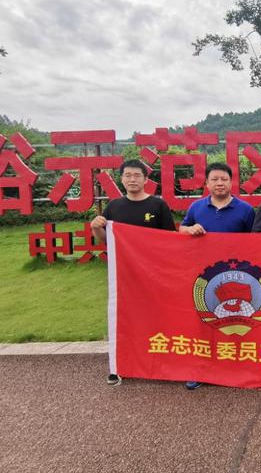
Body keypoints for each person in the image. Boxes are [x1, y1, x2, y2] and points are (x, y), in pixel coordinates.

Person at [90, 159, 176, 386]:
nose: (132, 179)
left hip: (155, 275)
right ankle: (120, 365)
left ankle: (162, 360)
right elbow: (107, 241)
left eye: (137, 175)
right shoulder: (114, 207)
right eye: (127, 175)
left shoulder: (158, 206)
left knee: (158, 317)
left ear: (146, 179)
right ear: (121, 179)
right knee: (125, 318)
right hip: (125, 276)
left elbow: (170, 241)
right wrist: (96, 228)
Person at [180, 162, 255, 390]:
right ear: (206, 183)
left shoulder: (246, 210)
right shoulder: (196, 208)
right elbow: (181, 229)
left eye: (224, 179)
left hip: (236, 277)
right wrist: (189, 230)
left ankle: (237, 365)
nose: (219, 183)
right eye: (214, 179)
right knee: (204, 321)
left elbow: (257, 242)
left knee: (236, 322)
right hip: (204, 277)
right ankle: (201, 368)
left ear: (231, 182)